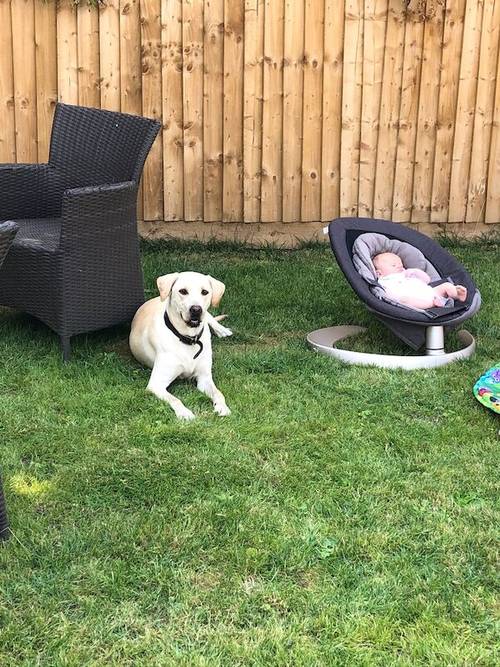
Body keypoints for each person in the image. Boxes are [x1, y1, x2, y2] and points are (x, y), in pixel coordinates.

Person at [372, 251, 467, 310]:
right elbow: (388, 295)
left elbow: (427, 280)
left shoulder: (406, 274)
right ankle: (432, 304)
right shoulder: (384, 280)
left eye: (400, 264)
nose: (399, 266)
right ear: (379, 273)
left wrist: (415, 271)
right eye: (393, 265)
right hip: (410, 299)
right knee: (405, 301)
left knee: (446, 285)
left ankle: (456, 294)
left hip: (429, 292)